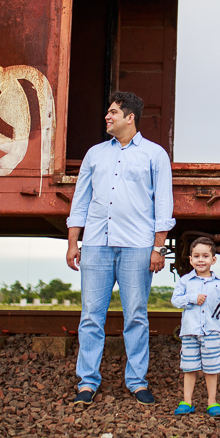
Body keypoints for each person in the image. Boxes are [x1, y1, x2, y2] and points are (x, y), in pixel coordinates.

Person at [66, 91, 175, 406]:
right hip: (96, 244)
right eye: (108, 111)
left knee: (136, 316)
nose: (107, 116)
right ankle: (87, 383)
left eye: (113, 112)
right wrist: (73, 242)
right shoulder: (95, 154)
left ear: (130, 117)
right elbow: (81, 200)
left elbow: (163, 203)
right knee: (90, 316)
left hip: (137, 246)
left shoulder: (154, 155)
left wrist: (158, 248)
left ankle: (137, 382)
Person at [169, 237, 220, 417]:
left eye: (205, 256)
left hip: (212, 331)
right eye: (196, 256)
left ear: (213, 260)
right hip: (190, 331)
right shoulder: (185, 281)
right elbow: (175, 300)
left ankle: (211, 402)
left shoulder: (219, 282)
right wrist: (192, 298)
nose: (201, 260)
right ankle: (187, 401)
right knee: (189, 367)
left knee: (212, 369)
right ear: (190, 260)